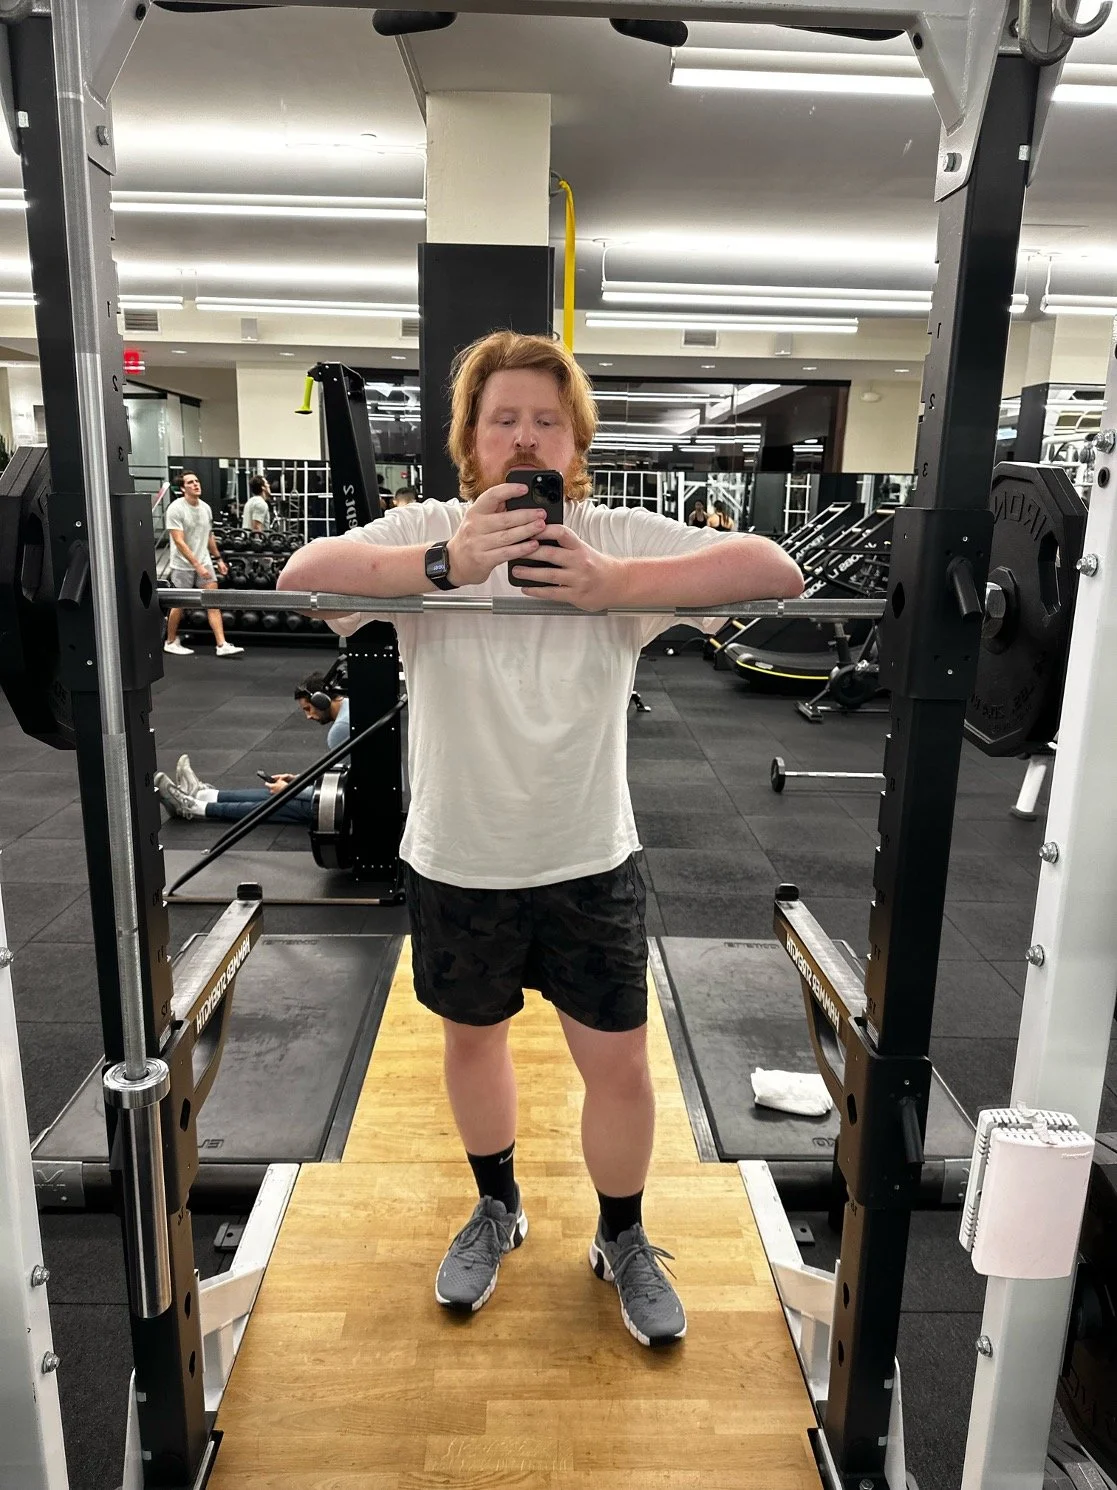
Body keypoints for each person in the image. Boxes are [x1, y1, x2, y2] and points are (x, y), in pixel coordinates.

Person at [277, 330, 803, 1348]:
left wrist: (617, 589)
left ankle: (622, 1234)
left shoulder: (610, 535)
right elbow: (308, 578)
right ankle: (497, 1206)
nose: (525, 436)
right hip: (456, 856)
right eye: (503, 418)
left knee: (618, 1065)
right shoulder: (434, 525)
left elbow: (771, 569)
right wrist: (440, 563)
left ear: (574, 442)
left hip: (587, 856)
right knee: (472, 1042)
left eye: (546, 420)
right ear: (471, 441)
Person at [154, 670, 349, 822]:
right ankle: (204, 794)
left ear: (322, 701)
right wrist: (298, 780)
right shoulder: (349, 705)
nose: (308, 716)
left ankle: (194, 808)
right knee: (275, 790)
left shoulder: (340, 730)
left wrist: (291, 791)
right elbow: (345, 773)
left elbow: (347, 787)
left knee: (280, 801)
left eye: (308, 708)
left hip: (351, 805)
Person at [164, 471, 244, 657]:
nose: (196, 485)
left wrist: (218, 559)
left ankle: (221, 644)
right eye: (190, 483)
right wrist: (196, 564)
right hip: (182, 564)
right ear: (183, 488)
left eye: (197, 481)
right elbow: (179, 541)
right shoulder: (176, 509)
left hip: (204, 562)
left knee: (213, 602)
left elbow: (209, 536)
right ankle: (170, 641)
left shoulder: (205, 508)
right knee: (178, 605)